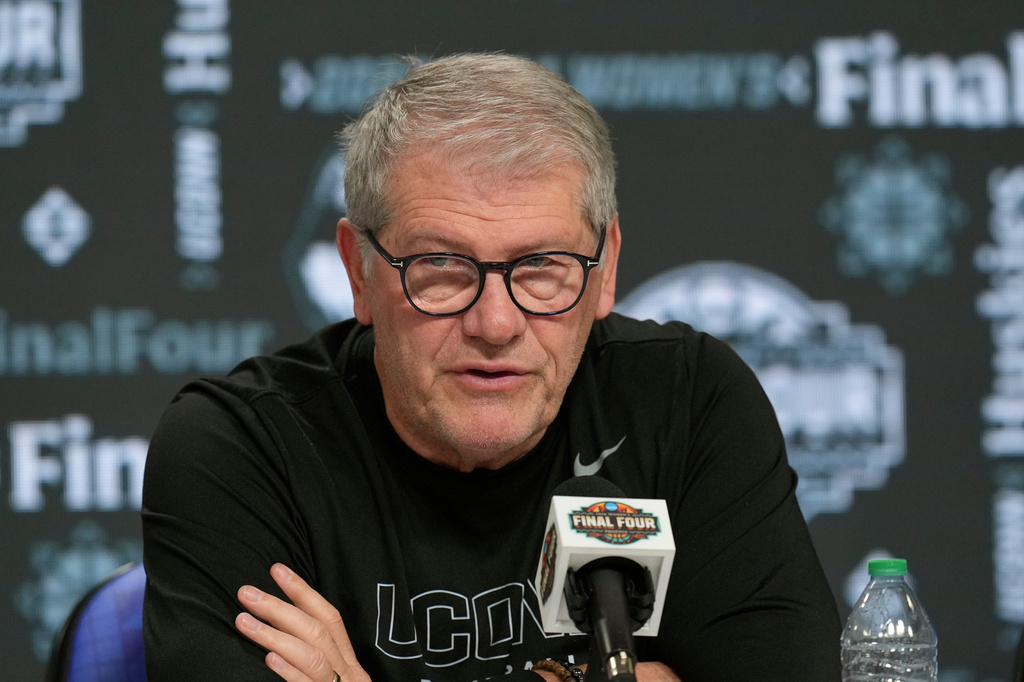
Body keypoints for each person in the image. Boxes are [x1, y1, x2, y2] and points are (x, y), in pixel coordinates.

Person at [141, 53, 841, 682]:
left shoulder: (688, 400)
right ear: (358, 270)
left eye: (543, 269)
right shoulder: (240, 445)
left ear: (606, 269)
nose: (496, 325)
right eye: (441, 269)